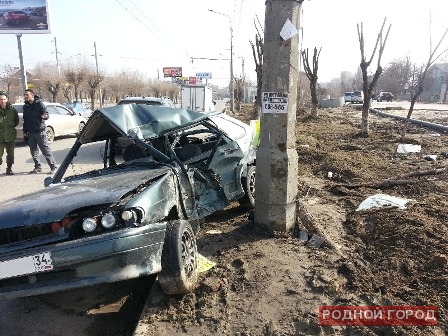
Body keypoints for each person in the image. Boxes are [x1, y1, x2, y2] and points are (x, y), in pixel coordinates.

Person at [23, 89, 57, 174]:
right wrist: (25, 131)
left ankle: (53, 167)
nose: (25, 96)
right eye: (25, 95)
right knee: (33, 151)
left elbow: (46, 114)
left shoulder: (40, 104)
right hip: (31, 132)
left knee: (45, 150)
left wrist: (45, 116)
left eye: (27, 94)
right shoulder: (26, 106)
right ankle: (37, 167)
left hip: (39, 131)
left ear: (32, 95)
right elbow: (25, 120)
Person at [0, 91, 19, 175]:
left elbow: (16, 121)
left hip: (10, 135)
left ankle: (9, 168)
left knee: (10, 154)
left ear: (7, 100)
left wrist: (9, 127)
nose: (2, 101)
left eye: (4, 99)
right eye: (0, 99)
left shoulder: (12, 110)